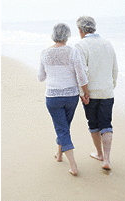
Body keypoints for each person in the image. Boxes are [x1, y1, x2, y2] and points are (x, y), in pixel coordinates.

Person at [38, 23, 90, 175]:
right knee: (64, 127)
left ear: (54, 35)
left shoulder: (45, 53)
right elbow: (81, 76)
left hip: (53, 97)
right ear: (67, 36)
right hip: (71, 96)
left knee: (62, 128)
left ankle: (73, 166)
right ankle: (60, 154)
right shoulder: (73, 52)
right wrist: (85, 93)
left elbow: (41, 77)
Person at [75, 16, 118, 170]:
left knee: (93, 124)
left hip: (90, 94)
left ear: (80, 30)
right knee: (106, 124)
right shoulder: (108, 43)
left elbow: (81, 73)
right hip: (107, 91)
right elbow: (115, 68)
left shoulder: (80, 45)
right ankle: (107, 159)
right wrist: (111, 86)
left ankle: (99, 154)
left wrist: (83, 93)